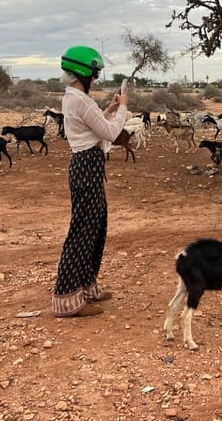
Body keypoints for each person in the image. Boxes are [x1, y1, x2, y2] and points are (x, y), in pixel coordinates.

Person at [51, 46, 128, 318]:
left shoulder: (75, 98)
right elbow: (110, 131)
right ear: (84, 72)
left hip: (87, 167)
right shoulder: (80, 100)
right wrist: (124, 109)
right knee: (84, 230)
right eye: (94, 74)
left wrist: (109, 109)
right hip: (87, 167)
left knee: (96, 227)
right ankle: (67, 297)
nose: (95, 79)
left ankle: (86, 286)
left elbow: (93, 126)